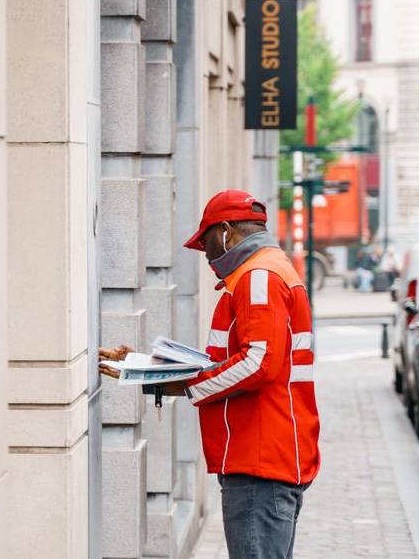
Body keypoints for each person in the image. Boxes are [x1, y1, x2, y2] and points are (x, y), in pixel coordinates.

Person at [100, 189, 320, 559]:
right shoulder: (265, 272)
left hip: (259, 460)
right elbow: (234, 363)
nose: (207, 256)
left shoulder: (259, 277)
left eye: (207, 244)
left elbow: (257, 364)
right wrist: (148, 369)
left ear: (227, 232)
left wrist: (189, 384)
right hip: (265, 457)